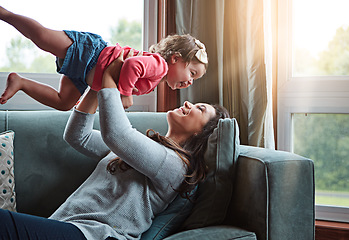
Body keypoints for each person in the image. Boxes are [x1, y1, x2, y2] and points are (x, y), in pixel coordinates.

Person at [0, 51, 230, 239]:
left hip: (98, 235)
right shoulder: (147, 149)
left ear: (203, 132)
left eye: (200, 109)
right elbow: (78, 137)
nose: (189, 102)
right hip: (68, 227)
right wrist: (97, 84)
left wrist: (109, 76)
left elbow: (117, 135)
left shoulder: (176, 166)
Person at [0, 6, 208, 110]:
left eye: (194, 80)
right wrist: (126, 94)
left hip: (86, 76)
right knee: (43, 37)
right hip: (92, 54)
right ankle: (5, 14)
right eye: (191, 73)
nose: (189, 81)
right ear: (175, 59)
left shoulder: (155, 81)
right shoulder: (159, 65)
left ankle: (21, 82)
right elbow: (132, 64)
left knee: (64, 103)